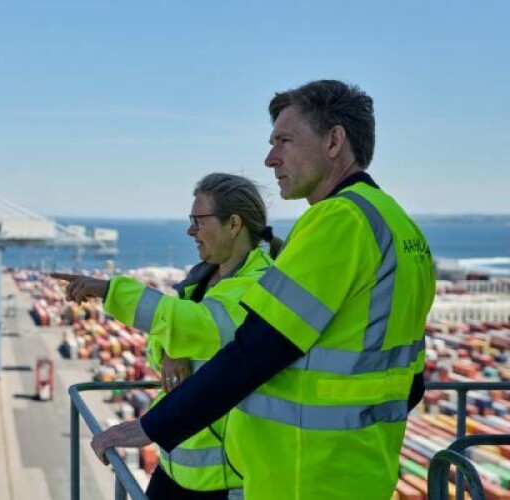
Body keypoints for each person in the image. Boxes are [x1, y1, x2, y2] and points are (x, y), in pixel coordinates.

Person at [89, 80, 435, 499]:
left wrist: (151, 425)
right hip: (361, 471)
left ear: (334, 141)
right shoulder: (399, 226)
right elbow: (410, 382)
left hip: (303, 477)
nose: (270, 159)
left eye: (284, 140)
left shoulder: (338, 221)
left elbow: (257, 350)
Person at [54, 173, 283, 499]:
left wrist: (108, 290)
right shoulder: (202, 280)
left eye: (198, 221)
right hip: (174, 457)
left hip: (223, 479)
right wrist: (170, 352)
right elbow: (157, 344)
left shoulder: (260, 284)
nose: (190, 231)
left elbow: (198, 325)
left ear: (234, 224)